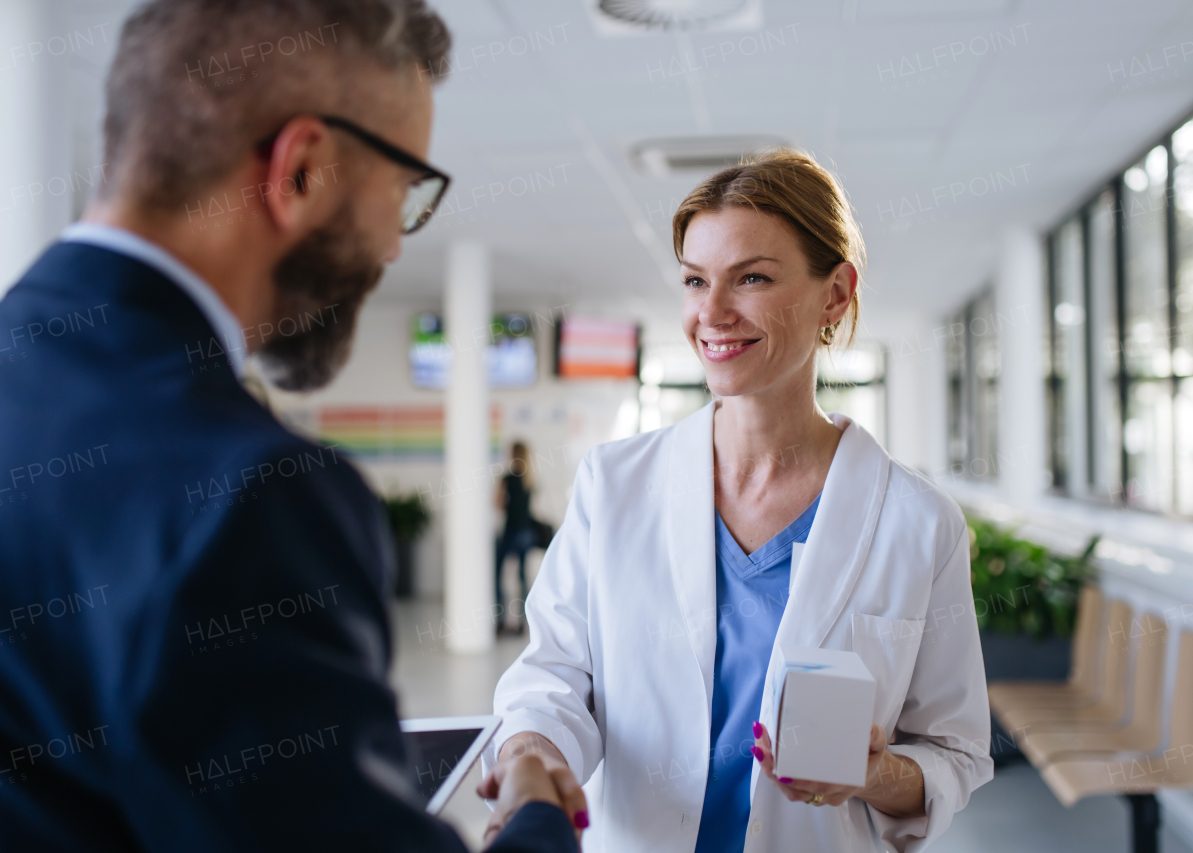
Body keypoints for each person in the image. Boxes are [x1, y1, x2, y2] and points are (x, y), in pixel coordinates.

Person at [0, 1, 583, 850]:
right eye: (404, 192)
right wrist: (537, 809)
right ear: (302, 169)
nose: (392, 246)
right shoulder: (246, 497)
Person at [484, 150, 994, 851]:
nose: (712, 312)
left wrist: (874, 773)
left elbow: (955, 752)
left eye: (751, 277)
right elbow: (556, 673)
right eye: (696, 280)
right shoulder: (614, 484)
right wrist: (531, 755)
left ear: (835, 294)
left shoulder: (919, 523)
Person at [495, 441, 538, 633]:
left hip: (511, 530)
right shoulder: (530, 479)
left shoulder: (507, 478)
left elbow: (496, 502)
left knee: (497, 575)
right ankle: (522, 623)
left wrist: (506, 506)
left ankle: (501, 621)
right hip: (527, 532)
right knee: (522, 577)